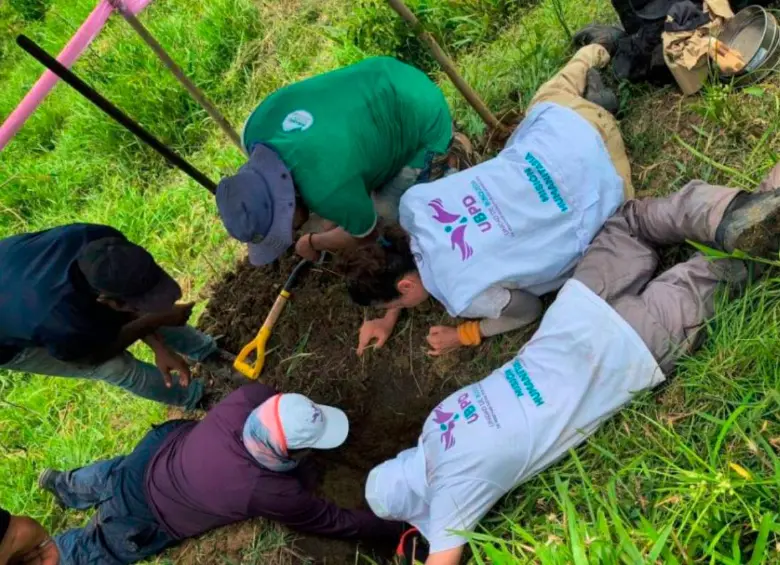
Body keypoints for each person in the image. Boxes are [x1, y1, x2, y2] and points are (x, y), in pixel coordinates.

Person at [362, 179, 780, 565]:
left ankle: (752, 224)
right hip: (578, 308)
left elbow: (443, 555)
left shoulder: (453, 486)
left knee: (721, 271)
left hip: (627, 350)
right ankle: (725, 213)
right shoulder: (437, 422)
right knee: (632, 223)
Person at [338, 44, 634, 356]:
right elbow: (402, 262)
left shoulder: (463, 294)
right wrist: (389, 305)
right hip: (561, 124)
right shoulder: (415, 203)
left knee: (615, 218)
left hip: (607, 175)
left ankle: (604, 107)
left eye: (396, 304)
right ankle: (595, 52)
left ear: (405, 287)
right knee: (548, 96)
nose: (397, 308)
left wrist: (465, 334)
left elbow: (527, 309)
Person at [38, 384, 404, 564]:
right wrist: (395, 528)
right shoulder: (263, 490)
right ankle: (48, 552)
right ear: (289, 452)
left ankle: (65, 486)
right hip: (146, 515)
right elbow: (332, 521)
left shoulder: (250, 396)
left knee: (111, 474)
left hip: (154, 454)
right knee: (87, 547)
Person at [215, 56, 469, 266]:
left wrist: (313, 242)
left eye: (285, 227)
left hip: (421, 116)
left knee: (391, 220)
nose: (290, 234)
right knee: (348, 199)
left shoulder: (327, 189)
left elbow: (366, 235)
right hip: (381, 74)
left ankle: (451, 155)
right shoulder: (252, 130)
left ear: (286, 205)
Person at [0, 223, 228, 409]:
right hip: (12, 335)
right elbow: (94, 356)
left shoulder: (100, 241)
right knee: (115, 367)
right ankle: (200, 397)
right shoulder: (61, 326)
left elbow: (132, 308)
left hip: (16, 269)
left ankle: (209, 353)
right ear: (107, 301)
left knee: (153, 311)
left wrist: (158, 342)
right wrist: (154, 321)